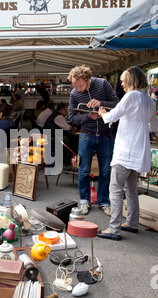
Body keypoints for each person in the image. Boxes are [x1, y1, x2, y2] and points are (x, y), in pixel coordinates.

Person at [96, 67, 158, 241]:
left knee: (115, 189)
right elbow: (153, 127)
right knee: (131, 189)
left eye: (124, 80)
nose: (121, 84)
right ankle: (132, 222)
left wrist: (102, 112)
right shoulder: (149, 100)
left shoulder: (131, 96)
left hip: (125, 151)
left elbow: (111, 117)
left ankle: (114, 228)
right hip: (140, 151)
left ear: (131, 81)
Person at [68, 65, 119, 216]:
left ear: (88, 79)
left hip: (105, 134)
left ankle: (104, 201)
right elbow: (71, 118)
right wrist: (88, 116)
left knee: (105, 170)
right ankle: (84, 200)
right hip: (86, 134)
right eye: (75, 86)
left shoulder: (102, 84)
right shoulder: (74, 94)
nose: (77, 89)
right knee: (83, 170)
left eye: (80, 85)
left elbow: (117, 104)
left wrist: (101, 103)